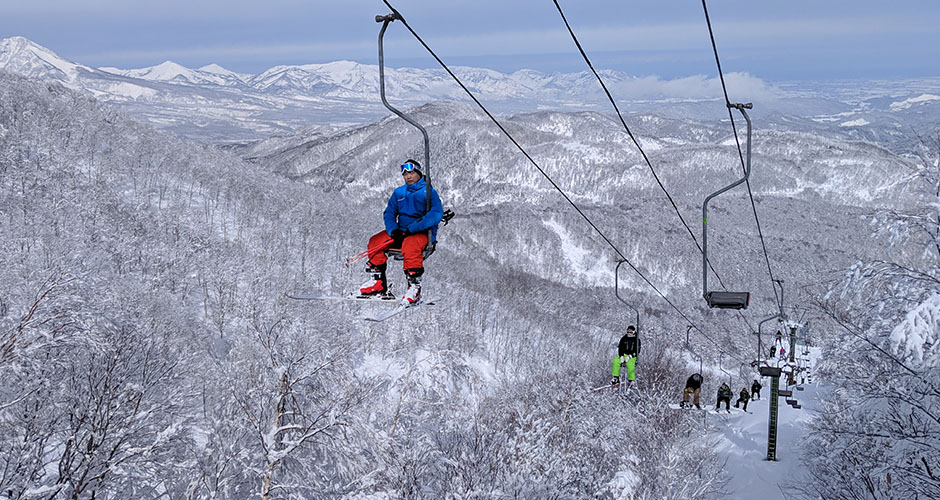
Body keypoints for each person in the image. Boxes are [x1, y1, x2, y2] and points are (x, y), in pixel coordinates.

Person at [359, 160, 444, 304]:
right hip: (401, 232)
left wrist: (413, 228)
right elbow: (389, 213)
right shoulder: (399, 193)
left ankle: (414, 286)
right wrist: (393, 231)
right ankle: (377, 282)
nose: (408, 177)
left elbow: (436, 214)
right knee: (376, 241)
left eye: (411, 173)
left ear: (418, 173)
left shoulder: (428, 192)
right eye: (405, 174)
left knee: (410, 245)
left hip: (421, 233)